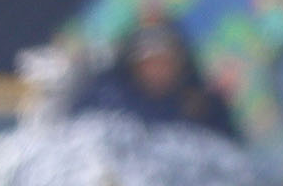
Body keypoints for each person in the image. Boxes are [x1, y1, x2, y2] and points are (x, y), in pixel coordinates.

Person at [71, 20, 240, 140]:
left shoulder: (203, 107)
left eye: (165, 62)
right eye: (149, 62)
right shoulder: (107, 96)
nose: (157, 70)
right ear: (134, 66)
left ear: (180, 65)